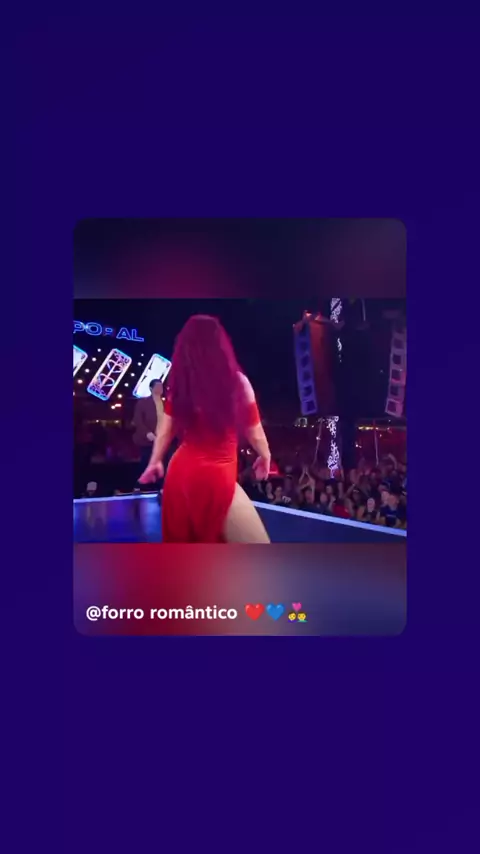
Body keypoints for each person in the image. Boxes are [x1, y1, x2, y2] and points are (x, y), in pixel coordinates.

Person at [139, 315, 271, 543]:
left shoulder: (181, 387)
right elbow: (255, 430)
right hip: (215, 475)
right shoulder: (237, 382)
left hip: (179, 474)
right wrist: (265, 455)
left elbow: (166, 430)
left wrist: (155, 461)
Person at [132, 379, 164, 489]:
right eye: (157, 386)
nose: (160, 389)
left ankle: (161, 488)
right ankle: (143, 488)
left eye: (161, 386)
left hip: (162, 440)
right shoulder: (143, 402)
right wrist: (147, 433)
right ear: (151, 388)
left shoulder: (166, 403)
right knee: (146, 464)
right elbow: (138, 420)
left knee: (163, 464)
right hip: (147, 440)